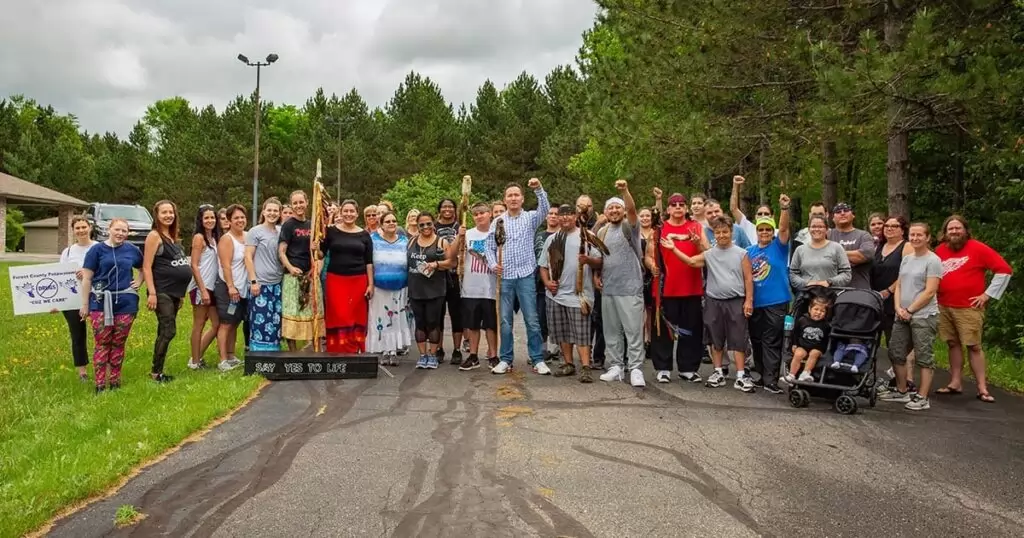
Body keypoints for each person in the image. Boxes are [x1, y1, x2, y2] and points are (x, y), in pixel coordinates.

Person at [665, 215, 755, 391]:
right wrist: (674, 248)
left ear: (731, 232)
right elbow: (692, 261)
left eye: (725, 232)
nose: (722, 235)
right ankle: (718, 372)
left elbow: (748, 278)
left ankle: (741, 375)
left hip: (735, 300)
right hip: (714, 301)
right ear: (714, 234)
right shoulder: (710, 254)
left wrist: (749, 300)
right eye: (718, 232)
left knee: (738, 338)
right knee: (715, 338)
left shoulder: (741, 253)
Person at [934, 215, 1012, 403]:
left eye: (957, 228)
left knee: (974, 346)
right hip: (944, 305)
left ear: (965, 230)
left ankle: (982, 388)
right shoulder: (940, 250)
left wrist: (987, 295)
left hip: (969, 307)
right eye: (950, 229)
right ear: (945, 232)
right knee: (952, 343)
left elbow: (1004, 270)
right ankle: (955, 382)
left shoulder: (977, 248)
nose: (954, 231)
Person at [486, 179, 551, 374]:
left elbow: (545, 210)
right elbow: (489, 246)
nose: (513, 198)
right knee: (505, 321)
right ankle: (506, 359)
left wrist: (538, 189)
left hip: (525, 275)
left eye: (516, 195)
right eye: (510, 195)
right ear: (505, 199)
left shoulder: (530, 218)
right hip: (505, 276)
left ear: (522, 198)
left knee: (532, 319)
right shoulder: (498, 221)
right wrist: (493, 264)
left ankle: (537, 359)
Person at [538, 204, 603, 383]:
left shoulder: (586, 236)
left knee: (581, 333)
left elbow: (600, 261)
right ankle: (568, 364)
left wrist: (588, 260)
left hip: (579, 294)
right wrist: (547, 282)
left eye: (569, 214)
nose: (565, 217)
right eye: (562, 215)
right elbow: (543, 265)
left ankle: (586, 367)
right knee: (563, 332)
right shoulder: (552, 239)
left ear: (575, 217)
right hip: (556, 295)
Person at [882, 222, 944, 410]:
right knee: (895, 352)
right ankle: (902, 390)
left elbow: (930, 291)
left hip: (923, 315)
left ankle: (922, 397)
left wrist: (910, 310)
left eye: (919, 235)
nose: (915, 238)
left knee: (924, 357)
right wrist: (898, 307)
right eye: (913, 235)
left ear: (928, 237)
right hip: (902, 314)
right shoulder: (907, 259)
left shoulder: (933, 260)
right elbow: (900, 284)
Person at [79, 218, 143, 393]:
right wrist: (85, 304)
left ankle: (115, 381)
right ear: (109, 229)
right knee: (102, 342)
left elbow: (144, 268)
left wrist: (139, 280)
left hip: (125, 302)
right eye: (117, 230)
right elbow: (87, 278)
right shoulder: (96, 250)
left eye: (124, 231)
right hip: (100, 301)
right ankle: (100, 384)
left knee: (118, 343)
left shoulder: (132, 250)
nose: (120, 233)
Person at [649, 192, 705, 384]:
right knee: (663, 329)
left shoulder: (695, 226)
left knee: (691, 328)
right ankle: (663, 367)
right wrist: (651, 265)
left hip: (691, 286)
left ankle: (688, 368)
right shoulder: (660, 228)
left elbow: (707, 251)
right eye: (674, 205)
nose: (678, 207)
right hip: (665, 287)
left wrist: (698, 243)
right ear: (668, 209)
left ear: (687, 208)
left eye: (681, 204)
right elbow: (649, 254)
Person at [595, 180, 647, 387]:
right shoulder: (602, 232)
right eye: (610, 208)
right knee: (611, 331)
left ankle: (635, 368)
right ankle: (616, 366)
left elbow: (633, 210)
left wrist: (625, 191)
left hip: (630, 288)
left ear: (623, 211)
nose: (614, 211)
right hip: (609, 288)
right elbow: (600, 257)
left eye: (618, 207)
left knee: (633, 331)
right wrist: (596, 275)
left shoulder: (630, 227)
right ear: (605, 212)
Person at [746, 194, 792, 394]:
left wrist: (784, 209)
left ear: (772, 231)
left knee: (772, 340)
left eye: (767, 229)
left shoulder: (779, 247)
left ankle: (771, 380)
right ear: (756, 231)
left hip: (776, 301)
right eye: (761, 229)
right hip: (756, 302)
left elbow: (784, 229)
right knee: (756, 340)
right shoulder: (749, 251)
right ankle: (760, 375)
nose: (764, 232)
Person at [142, 200, 191, 383]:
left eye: (171, 212)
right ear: (157, 215)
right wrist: (152, 293)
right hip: (161, 291)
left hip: (174, 293)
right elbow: (147, 266)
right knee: (168, 331)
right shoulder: (154, 236)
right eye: (164, 212)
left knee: (163, 330)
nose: (168, 215)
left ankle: (158, 371)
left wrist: (181, 294)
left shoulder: (172, 237)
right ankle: (156, 372)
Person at [319, 200, 374, 353]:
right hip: (335, 279)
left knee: (355, 314)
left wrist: (370, 284)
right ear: (340, 212)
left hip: (358, 280)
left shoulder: (364, 235)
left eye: (352, 211)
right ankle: (338, 348)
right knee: (339, 314)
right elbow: (321, 254)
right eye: (346, 211)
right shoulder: (330, 231)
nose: (348, 214)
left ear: (357, 214)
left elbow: (369, 262)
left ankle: (354, 348)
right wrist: (315, 248)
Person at [408, 212, 456, 368]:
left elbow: (451, 262)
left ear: (433, 224)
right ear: (417, 226)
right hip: (415, 288)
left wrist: (436, 264)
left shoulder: (441, 242)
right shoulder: (411, 241)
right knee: (420, 323)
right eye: (421, 224)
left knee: (432, 323)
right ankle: (423, 355)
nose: (425, 227)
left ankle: (433, 354)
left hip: (435, 289)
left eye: (428, 223)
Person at [366, 211, 413, 366]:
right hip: (379, 288)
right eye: (387, 221)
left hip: (400, 288)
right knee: (381, 318)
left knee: (396, 319)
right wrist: (370, 284)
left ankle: (393, 351)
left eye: (394, 221)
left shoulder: (405, 241)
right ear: (381, 224)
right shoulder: (373, 240)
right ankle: (384, 350)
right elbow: (369, 264)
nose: (391, 223)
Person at [278, 190, 323, 349]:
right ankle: (293, 353)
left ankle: (315, 350)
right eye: (295, 203)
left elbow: (320, 254)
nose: (298, 206)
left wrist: (317, 249)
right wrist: (290, 268)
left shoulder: (312, 224)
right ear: (291, 205)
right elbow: (281, 251)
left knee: (312, 311)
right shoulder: (288, 225)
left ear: (307, 202)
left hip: (310, 275)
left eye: (301, 202)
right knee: (293, 312)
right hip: (293, 276)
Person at [457, 202, 498, 370]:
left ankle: (493, 355)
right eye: (476, 214)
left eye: (482, 213)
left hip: (491, 287)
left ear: (490, 214)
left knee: (491, 325)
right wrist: (459, 237)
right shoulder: (467, 234)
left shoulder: (496, 234)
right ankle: (473, 356)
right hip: (471, 287)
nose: (479, 216)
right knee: (473, 324)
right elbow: (456, 253)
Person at [55, 215, 97, 381]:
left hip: (96, 296)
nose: (81, 230)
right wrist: (56, 303)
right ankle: (82, 372)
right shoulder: (68, 252)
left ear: (90, 228)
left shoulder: (99, 247)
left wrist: (87, 273)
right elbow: (59, 276)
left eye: (84, 227)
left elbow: (106, 270)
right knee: (77, 335)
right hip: (73, 299)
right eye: (77, 228)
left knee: (102, 334)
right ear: (73, 230)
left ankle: (103, 367)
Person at [244, 198, 284, 353]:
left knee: (275, 320)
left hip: (277, 283)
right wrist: (253, 281)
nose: (272, 213)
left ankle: (274, 353)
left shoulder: (281, 231)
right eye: (269, 210)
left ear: (279, 213)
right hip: (260, 284)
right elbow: (248, 257)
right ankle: (259, 354)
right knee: (260, 321)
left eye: (275, 210)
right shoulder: (255, 231)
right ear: (264, 212)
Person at [214, 205, 248, 371]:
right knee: (226, 323)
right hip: (228, 288)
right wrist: (231, 286)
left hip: (242, 288)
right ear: (229, 221)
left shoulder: (247, 236)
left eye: (242, 217)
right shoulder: (227, 239)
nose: (240, 220)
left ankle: (231, 355)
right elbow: (225, 265)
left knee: (235, 322)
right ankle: (222, 360)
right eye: (236, 218)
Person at [188, 205, 221, 369]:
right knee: (199, 324)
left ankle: (197, 355)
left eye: (212, 217)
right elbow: (194, 265)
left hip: (213, 286)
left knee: (216, 324)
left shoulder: (214, 238)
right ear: (200, 220)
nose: (210, 220)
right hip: (201, 286)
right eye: (206, 218)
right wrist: (202, 290)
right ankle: (195, 362)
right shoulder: (199, 238)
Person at [871, 216, 912, 343]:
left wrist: (889, 290)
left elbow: (907, 274)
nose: (889, 228)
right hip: (876, 298)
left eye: (894, 226)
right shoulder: (878, 246)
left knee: (894, 341)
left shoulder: (907, 246)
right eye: (887, 226)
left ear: (903, 230)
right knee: (873, 339)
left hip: (896, 298)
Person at [434, 198, 465, 364]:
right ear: (439, 209)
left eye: (451, 207)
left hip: (455, 276)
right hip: (438, 275)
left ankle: (457, 349)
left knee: (456, 314)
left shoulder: (461, 226)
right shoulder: (433, 227)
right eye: (444, 207)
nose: (447, 209)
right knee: (438, 314)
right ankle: (438, 348)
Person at [789, 216, 852, 291]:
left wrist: (829, 282)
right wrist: (807, 283)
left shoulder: (837, 248)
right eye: (813, 226)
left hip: (831, 294)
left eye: (820, 227)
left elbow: (846, 274)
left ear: (827, 229)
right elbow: (793, 274)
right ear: (809, 229)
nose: (816, 229)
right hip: (807, 294)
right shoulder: (800, 250)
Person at [827, 202, 875, 289]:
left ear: (853, 215)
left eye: (846, 210)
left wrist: (834, 255)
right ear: (833, 218)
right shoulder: (827, 235)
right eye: (838, 212)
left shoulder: (864, 235)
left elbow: (865, 255)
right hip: (832, 290)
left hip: (859, 290)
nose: (842, 213)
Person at [784, 295, 831, 383]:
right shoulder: (802, 320)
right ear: (810, 309)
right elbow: (795, 333)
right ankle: (791, 374)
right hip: (803, 345)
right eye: (816, 309)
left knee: (814, 353)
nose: (818, 312)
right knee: (798, 353)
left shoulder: (826, 325)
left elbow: (827, 339)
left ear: (826, 313)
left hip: (817, 347)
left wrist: (825, 350)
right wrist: (794, 344)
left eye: (822, 311)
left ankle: (805, 373)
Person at [535, 206, 561, 361]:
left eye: (556, 214)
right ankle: (543, 350)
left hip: (560, 283)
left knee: (559, 319)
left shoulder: (564, 235)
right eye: (550, 213)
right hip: (540, 283)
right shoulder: (538, 236)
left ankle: (558, 348)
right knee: (541, 318)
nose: (553, 216)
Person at [730, 175, 774, 242]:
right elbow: (734, 209)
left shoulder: (777, 232)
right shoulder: (749, 227)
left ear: (772, 217)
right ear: (756, 216)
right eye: (760, 214)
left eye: (766, 214)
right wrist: (735, 185)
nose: (763, 216)